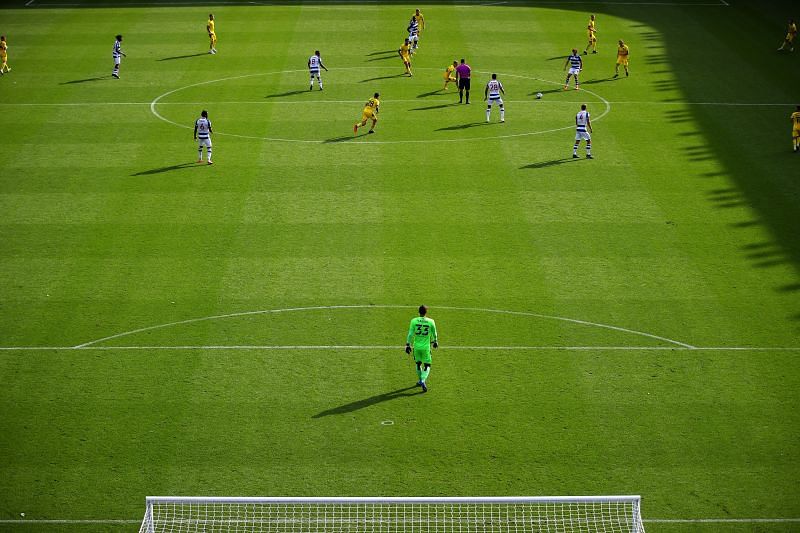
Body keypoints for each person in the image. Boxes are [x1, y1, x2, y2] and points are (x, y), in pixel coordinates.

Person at [405, 305, 438, 393]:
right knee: (427, 365)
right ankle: (423, 380)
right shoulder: (431, 321)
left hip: (416, 347)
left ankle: (420, 380)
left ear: (418, 312)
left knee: (418, 363)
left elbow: (410, 334)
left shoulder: (414, 321)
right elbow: (434, 333)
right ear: (426, 312)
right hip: (426, 347)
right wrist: (435, 341)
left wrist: (408, 344)